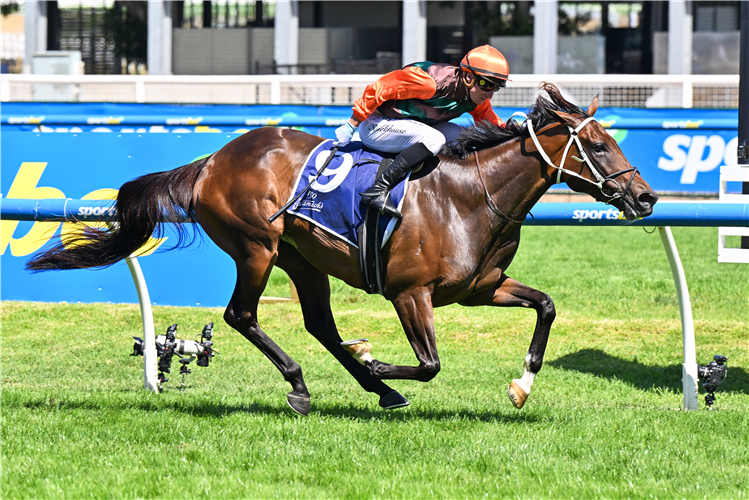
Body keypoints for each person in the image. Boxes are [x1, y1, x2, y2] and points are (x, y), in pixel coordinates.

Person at [334, 45, 510, 218]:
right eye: (486, 85)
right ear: (469, 77)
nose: (490, 94)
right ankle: (379, 189)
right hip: (377, 124)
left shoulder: (475, 99)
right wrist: (352, 124)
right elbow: (379, 88)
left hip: (410, 126)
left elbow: (491, 125)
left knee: (464, 137)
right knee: (435, 139)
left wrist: (513, 132)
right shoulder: (429, 82)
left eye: (496, 87)